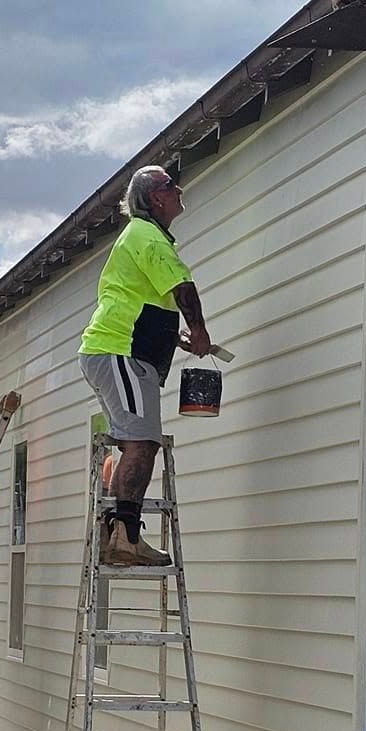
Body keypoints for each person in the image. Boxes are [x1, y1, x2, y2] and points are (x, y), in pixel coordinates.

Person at [78, 164, 212, 567]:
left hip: (120, 351)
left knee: (136, 442)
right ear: (155, 197)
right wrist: (199, 330)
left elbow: (143, 303)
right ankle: (126, 537)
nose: (179, 189)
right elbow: (182, 288)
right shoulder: (147, 235)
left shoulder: (142, 237)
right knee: (142, 443)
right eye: (171, 185)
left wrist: (175, 337)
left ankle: (118, 535)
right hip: (121, 352)